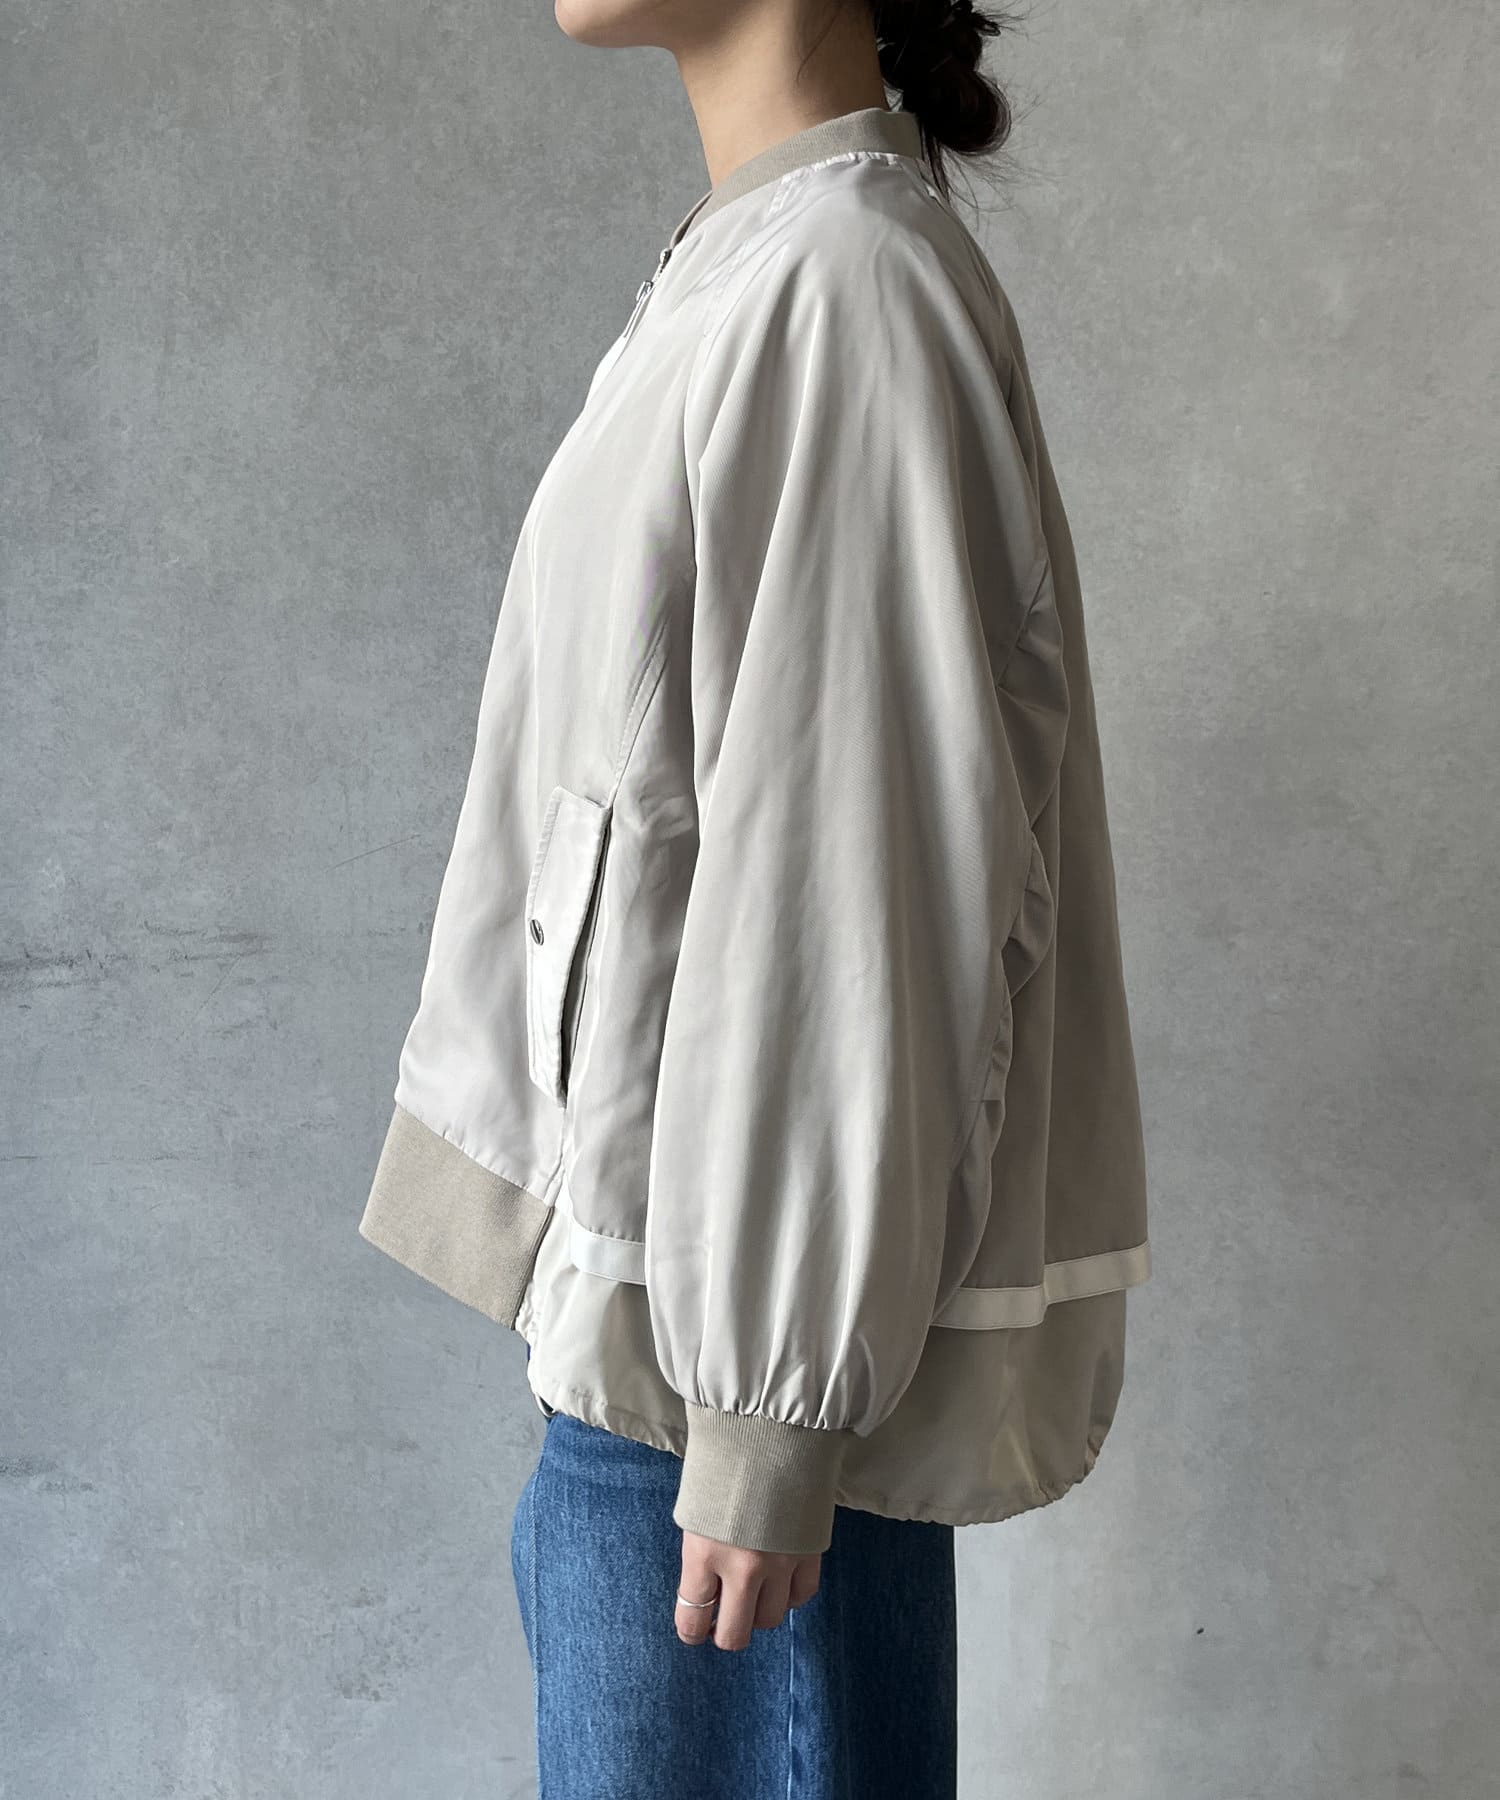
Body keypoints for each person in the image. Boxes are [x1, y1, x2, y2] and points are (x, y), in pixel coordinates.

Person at [357, 2, 1153, 1794]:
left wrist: (767, 1413)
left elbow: (850, 880)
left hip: (712, 1394)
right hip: (653, 1345)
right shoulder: (763, 260)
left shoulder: (846, 285)